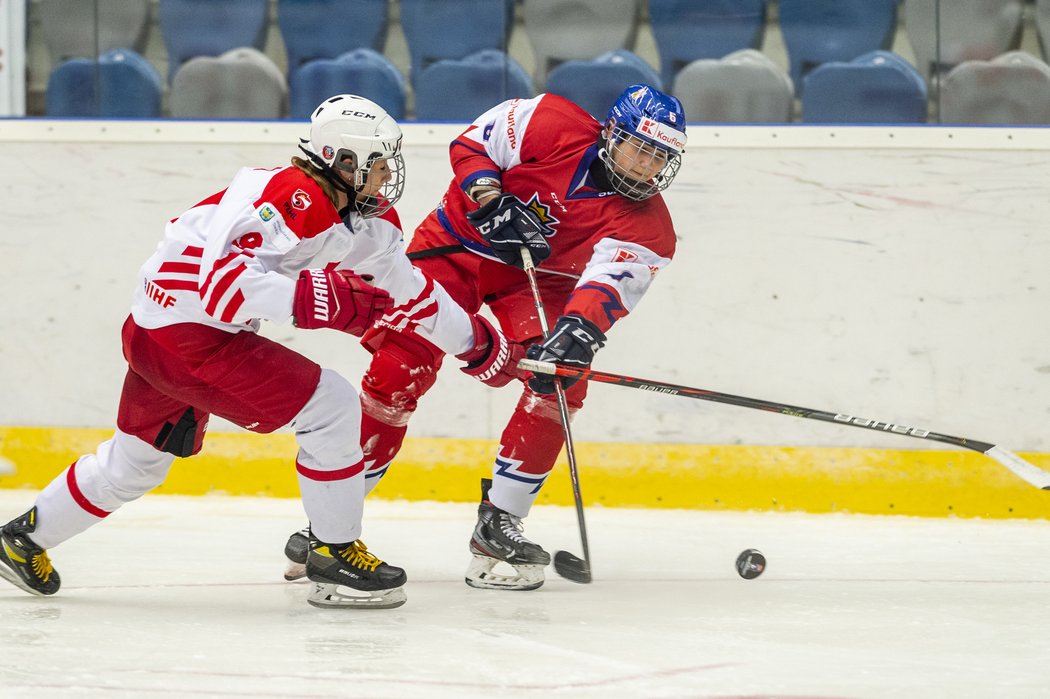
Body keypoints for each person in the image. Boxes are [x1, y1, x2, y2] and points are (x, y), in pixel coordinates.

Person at [0, 94, 521, 610]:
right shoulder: (290, 196)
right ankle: (334, 553)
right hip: (187, 337)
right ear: (343, 163)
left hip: (154, 332)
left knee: (136, 462)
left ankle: (23, 538)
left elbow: (413, 293)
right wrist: (319, 300)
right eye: (379, 165)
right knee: (332, 406)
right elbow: (222, 289)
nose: (389, 177)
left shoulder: (359, 221)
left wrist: (476, 344)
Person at [281, 84, 687, 591]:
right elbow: (473, 144)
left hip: (539, 279)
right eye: (640, 147)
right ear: (611, 133)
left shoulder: (651, 229)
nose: (647, 165)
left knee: (559, 381)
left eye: (661, 156)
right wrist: (489, 197)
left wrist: (575, 334)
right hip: (457, 245)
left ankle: (500, 522)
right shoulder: (551, 119)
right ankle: (331, 524)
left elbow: (606, 290)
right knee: (400, 366)